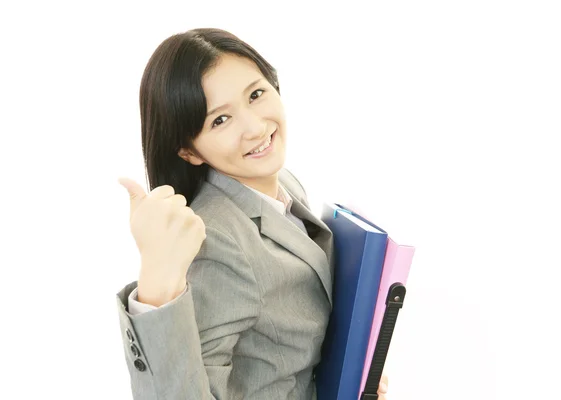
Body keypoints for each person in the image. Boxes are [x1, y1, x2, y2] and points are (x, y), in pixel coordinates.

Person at [115, 27, 389, 399]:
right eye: (220, 120)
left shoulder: (282, 184)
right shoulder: (217, 241)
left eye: (256, 95)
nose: (256, 127)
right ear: (189, 152)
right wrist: (155, 290)